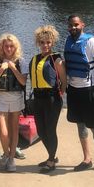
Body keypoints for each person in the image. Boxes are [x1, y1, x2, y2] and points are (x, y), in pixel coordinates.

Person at [64, 15, 94, 174]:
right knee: (80, 125)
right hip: (73, 90)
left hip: (89, 90)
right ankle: (87, 158)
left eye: (76, 24)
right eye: (70, 25)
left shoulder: (91, 41)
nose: (73, 27)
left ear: (82, 24)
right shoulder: (68, 41)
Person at [29, 25, 67, 173]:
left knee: (50, 130)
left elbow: (64, 81)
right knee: (41, 130)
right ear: (38, 43)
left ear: (52, 43)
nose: (45, 45)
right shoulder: (35, 59)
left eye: (48, 42)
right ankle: (51, 156)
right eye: (42, 42)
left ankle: (51, 161)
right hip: (38, 99)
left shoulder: (56, 59)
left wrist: (59, 94)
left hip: (52, 99)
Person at [0, 33, 27, 172]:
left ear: (15, 47)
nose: (9, 49)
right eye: (6, 46)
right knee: (3, 132)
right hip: (1, 97)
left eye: (11, 46)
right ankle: (5, 153)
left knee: (14, 129)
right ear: (2, 47)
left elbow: (23, 81)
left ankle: (11, 158)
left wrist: (13, 68)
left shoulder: (20, 61)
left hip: (16, 97)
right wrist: (2, 68)